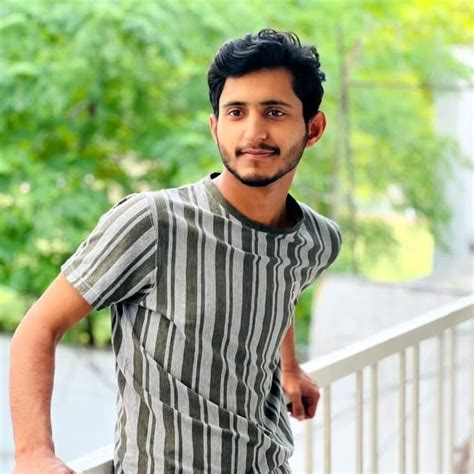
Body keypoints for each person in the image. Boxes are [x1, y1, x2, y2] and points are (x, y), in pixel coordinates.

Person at [10, 29, 341, 473]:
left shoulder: (317, 239)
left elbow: (281, 285)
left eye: (275, 112)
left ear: (313, 128)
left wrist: (288, 366)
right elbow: (38, 328)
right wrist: (33, 453)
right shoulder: (152, 223)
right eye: (236, 112)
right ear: (215, 126)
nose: (253, 131)